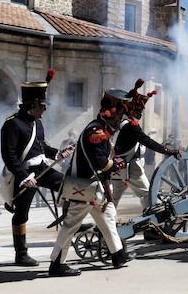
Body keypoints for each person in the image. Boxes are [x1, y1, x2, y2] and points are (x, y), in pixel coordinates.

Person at [48, 88, 137, 276]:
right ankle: (56, 263)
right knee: (71, 224)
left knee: (107, 218)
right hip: (85, 187)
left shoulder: (100, 129)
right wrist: (117, 164)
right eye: (120, 114)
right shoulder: (97, 132)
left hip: (94, 187)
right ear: (112, 113)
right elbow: (101, 163)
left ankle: (117, 254)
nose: (121, 119)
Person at [0, 69, 71, 266]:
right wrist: (23, 177)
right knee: (21, 214)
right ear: (32, 105)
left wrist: (58, 153)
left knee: (69, 186)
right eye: (42, 106)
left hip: (42, 169)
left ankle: (68, 218)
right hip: (25, 174)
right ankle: (21, 254)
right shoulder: (12, 124)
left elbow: (42, 147)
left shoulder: (37, 123)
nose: (45, 110)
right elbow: (9, 156)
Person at [112, 80, 181, 210]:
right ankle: (150, 220)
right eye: (139, 112)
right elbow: (148, 142)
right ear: (134, 111)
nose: (140, 114)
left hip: (117, 166)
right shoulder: (132, 126)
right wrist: (169, 151)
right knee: (147, 194)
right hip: (131, 166)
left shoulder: (120, 123)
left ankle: (104, 224)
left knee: (113, 198)